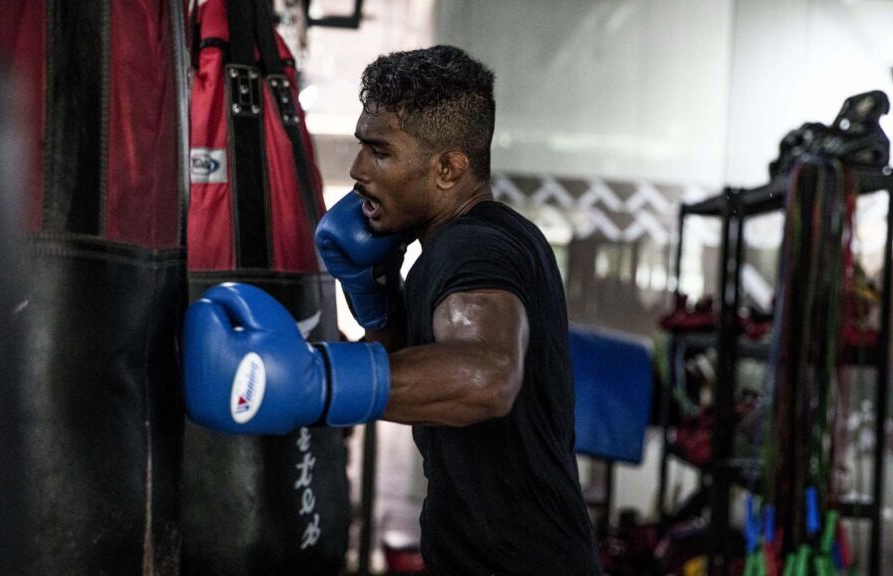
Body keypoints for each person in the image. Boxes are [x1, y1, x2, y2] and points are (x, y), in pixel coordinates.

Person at [183, 45, 600, 575]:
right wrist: (379, 304)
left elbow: (486, 378)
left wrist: (313, 380)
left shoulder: (474, 248)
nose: (358, 169)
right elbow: (415, 373)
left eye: (380, 151)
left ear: (449, 168)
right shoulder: (456, 247)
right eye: (362, 145)